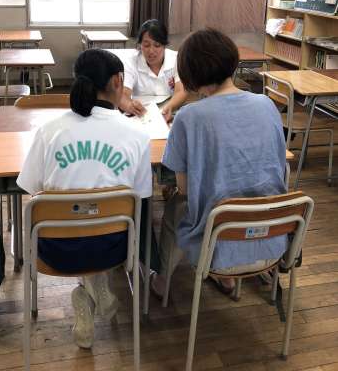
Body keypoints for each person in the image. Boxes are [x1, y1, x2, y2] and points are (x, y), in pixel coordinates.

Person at [17, 49, 152, 348]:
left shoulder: (49, 131)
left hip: (54, 251)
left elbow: (31, 188)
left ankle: (86, 292)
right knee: (97, 221)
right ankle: (95, 286)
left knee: (76, 217)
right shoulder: (138, 137)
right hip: (114, 250)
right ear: (117, 81)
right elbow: (141, 197)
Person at [151, 28, 287, 298]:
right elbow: (279, 166)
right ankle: (225, 278)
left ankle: (163, 280)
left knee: (176, 207)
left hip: (219, 237)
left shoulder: (189, 117)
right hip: (272, 234)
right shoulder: (266, 104)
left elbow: (185, 189)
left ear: (191, 73)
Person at [118, 19, 189, 121]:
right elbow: (123, 95)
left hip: (169, 109)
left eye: (157, 45)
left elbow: (181, 91)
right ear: (140, 45)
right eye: (146, 45)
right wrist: (129, 105)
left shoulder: (176, 59)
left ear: (164, 45)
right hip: (140, 113)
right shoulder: (131, 62)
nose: (151, 51)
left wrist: (169, 108)